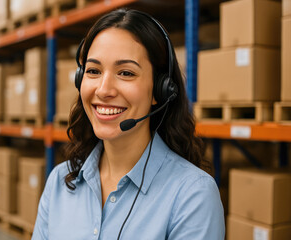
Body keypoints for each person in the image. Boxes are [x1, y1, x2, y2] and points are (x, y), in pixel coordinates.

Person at [32, 8, 225, 240]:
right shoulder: (59, 182)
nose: (103, 90)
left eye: (125, 73)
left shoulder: (192, 195)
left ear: (160, 90)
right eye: (93, 71)